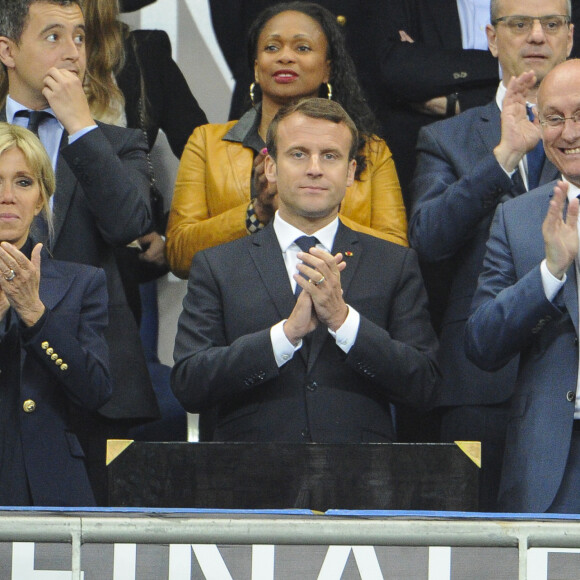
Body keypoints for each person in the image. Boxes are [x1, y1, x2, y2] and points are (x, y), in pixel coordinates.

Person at [171, 98, 438, 443]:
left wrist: (344, 322)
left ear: (351, 173)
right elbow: (189, 382)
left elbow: (424, 385)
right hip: (247, 481)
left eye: (330, 156)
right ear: (269, 168)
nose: (315, 168)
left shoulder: (394, 264)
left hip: (359, 480)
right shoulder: (217, 265)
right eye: (298, 154)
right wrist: (284, 336)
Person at [408, 0, 572, 511]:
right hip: (476, 382)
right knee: (475, 549)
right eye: (519, 24)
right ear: (492, 38)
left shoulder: (572, 129)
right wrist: (503, 156)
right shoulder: (448, 136)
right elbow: (429, 238)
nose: (537, 36)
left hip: (564, 377)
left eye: (552, 23)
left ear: (571, 35)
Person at [0, 0, 159, 504]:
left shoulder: (117, 141)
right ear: (7, 49)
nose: (72, 53)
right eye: (52, 37)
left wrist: (82, 128)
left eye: (80, 37)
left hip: (93, 382)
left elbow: (130, 223)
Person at [166, 1, 407, 280]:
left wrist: (316, 217)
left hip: (346, 306)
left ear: (328, 68)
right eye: (272, 47)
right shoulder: (207, 143)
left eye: (302, 48)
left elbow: (396, 251)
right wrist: (257, 212)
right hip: (240, 313)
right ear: (256, 69)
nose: (285, 57)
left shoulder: (371, 150)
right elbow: (179, 255)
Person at [466, 59, 580, 513]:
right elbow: (481, 343)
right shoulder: (518, 218)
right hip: (549, 462)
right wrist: (549, 274)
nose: (569, 133)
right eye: (554, 118)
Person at [0, 123, 111, 506]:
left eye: (24, 182)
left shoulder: (82, 283)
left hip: (46, 484)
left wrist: (34, 313)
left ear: (42, 197)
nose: (7, 197)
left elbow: (95, 391)